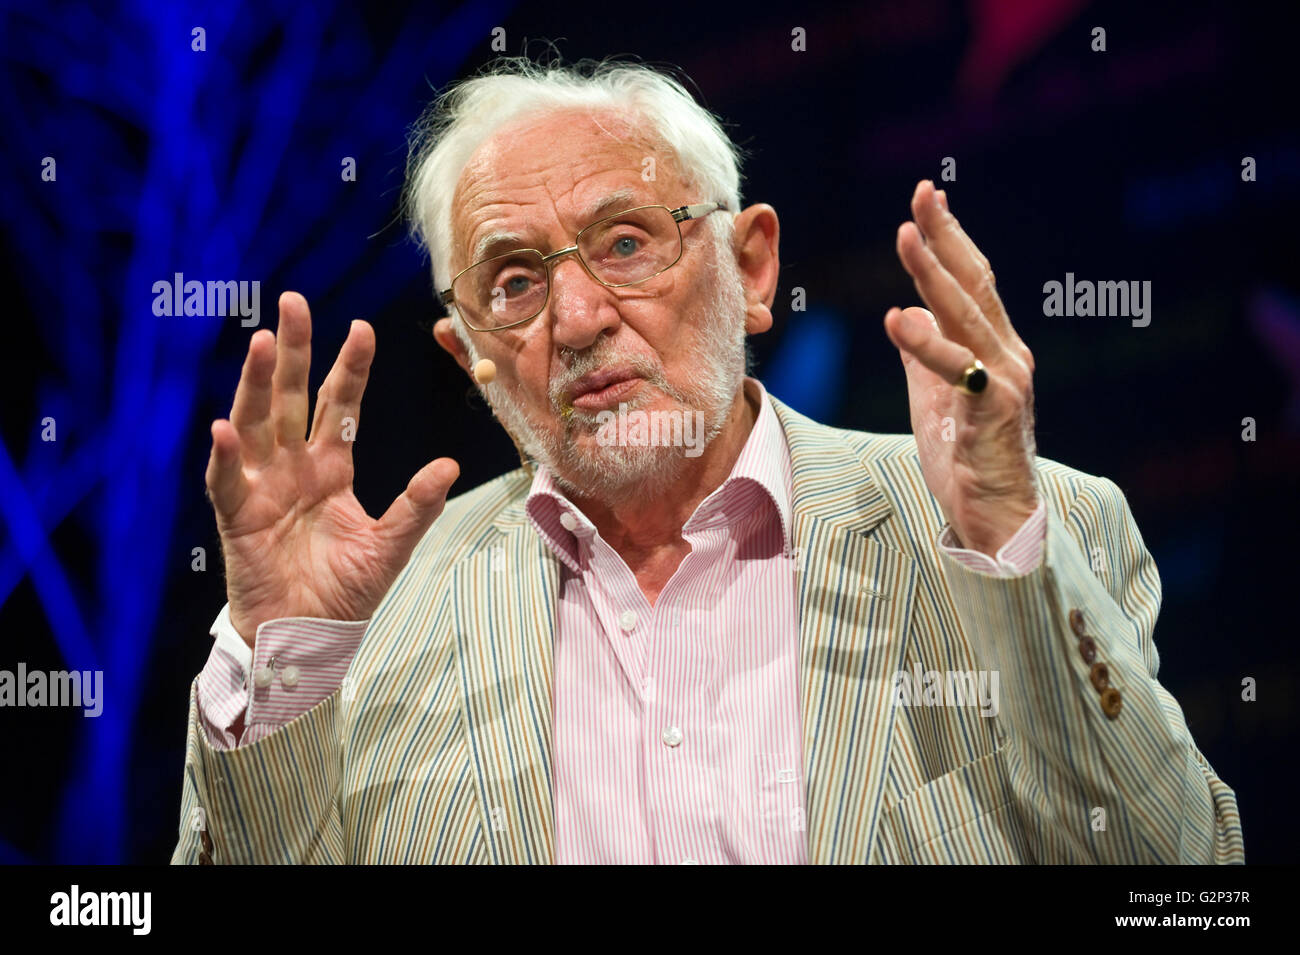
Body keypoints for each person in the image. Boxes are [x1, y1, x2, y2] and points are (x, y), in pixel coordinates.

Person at [171, 58, 1243, 864]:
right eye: (513, 282)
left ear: (751, 265)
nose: (580, 316)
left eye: (627, 242)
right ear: (472, 358)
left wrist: (1006, 548)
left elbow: (1179, 876)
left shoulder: (1027, 529)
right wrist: (285, 660)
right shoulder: (362, 622)